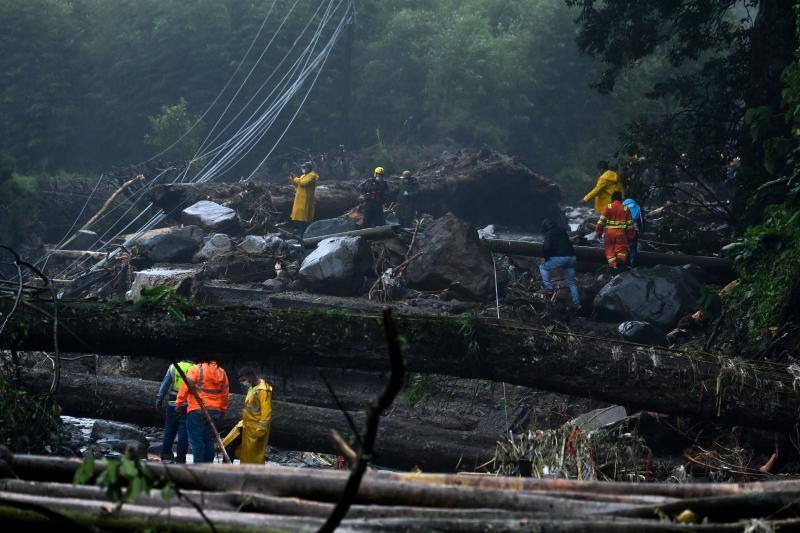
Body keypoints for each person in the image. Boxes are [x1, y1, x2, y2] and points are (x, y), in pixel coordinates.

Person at [175, 359, 230, 464]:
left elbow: (185, 387)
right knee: (209, 440)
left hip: (197, 409)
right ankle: (208, 466)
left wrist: (179, 403)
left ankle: (198, 467)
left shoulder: (196, 369)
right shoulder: (222, 373)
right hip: (215, 411)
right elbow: (225, 394)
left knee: (196, 440)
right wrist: (223, 410)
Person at [155, 360, 194, 463]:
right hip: (187, 404)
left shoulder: (173, 366)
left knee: (169, 431)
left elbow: (165, 384)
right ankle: (181, 457)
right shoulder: (194, 368)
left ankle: (165, 455)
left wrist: (159, 399)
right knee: (183, 433)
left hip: (172, 403)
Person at [538, 218, 580, 306]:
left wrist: (546, 259)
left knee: (543, 268)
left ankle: (549, 289)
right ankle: (577, 303)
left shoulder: (549, 234)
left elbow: (546, 248)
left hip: (561, 258)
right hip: (572, 257)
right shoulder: (562, 230)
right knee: (571, 282)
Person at [236, 367, 273, 464]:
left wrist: (261, 430)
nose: (243, 383)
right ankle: (246, 476)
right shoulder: (252, 387)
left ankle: (257, 477)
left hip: (257, 429)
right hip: (248, 428)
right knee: (246, 455)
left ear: (251, 377)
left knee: (256, 457)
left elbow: (266, 412)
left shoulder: (263, 390)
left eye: (244, 380)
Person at [595, 191, 636, 272]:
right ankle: (620, 263)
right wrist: (631, 236)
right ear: (621, 199)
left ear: (612, 199)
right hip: (620, 234)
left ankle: (613, 266)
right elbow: (630, 225)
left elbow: (601, 222)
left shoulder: (608, 207)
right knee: (622, 250)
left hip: (609, 234)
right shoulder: (625, 209)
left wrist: (598, 232)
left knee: (609, 250)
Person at [289, 162, 320, 230]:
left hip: (306, 199)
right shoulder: (303, 176)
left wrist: (295, 178)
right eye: (303, 167)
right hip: (299, 199)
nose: (303, 169)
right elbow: (297, 184)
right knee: (297, 215)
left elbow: (303, 183)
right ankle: (300, 230)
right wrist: (292, 178)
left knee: (304, 216)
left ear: (309, 168)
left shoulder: (312, 175)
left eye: (304, 167)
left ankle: (305, 230)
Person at [621, 197, 644, 267]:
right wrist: (642, 230)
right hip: (634, 231)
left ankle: (622, 264)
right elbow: (641, 221)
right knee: (633, 248)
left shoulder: (622, 207)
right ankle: (632, 264)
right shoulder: (638, 207)